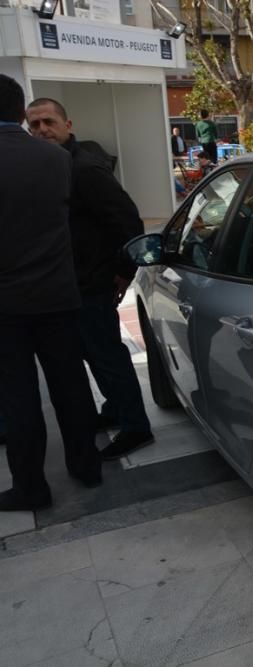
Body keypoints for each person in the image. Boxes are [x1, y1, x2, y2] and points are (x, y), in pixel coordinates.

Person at [25, 97, 154, 461]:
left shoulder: (84, 170)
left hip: (92, 284)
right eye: (34, 125)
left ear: (68, 125)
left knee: (107, 356)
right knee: (93, 356)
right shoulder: (51, 166)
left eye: (48, 122)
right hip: (68, 284)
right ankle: (116, 410)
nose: (42, 130)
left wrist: (122, 272)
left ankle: (135, 427)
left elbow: (128, 221)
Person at [0, 75, 102, 510]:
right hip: (58, 295)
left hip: (5, 306)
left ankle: (31, 488)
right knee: (70, 385)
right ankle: (87, 466)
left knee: (18, 398)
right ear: (20, 112)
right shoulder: (55, 159)